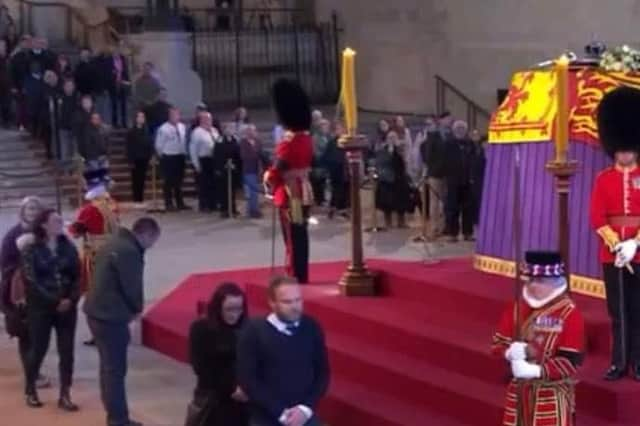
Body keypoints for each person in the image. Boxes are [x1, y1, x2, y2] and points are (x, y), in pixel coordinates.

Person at [492, 251, 585, 426]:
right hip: (518, 394)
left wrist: (535, 371)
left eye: (540, 281)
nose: (533, 285)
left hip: (549, 396)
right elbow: (498, 344)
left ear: (554, 282)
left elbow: (570, 361)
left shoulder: (569, 314)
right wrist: (509, 353)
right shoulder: (516, 308)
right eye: (530, 280)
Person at [84, 217, 161, 426]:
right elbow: (131, 286)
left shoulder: (114, 242)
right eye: (153, 241)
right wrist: (137, 309)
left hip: (96, 312)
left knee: (108, 368)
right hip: (111, 316)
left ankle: (113, 411)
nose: (151, 246)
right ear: (147, 234)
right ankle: (118, 419)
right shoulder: (129, 251)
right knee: (115, 371)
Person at [590, 86, 640, 381]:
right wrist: (616, 245)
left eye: (628, 148)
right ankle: (619, 362)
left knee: (639, 311)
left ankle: (639, 361)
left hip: (638, 252)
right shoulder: (603, 179)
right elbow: (596, 216)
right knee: (618, 312)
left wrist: (634, 244)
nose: (624, 153)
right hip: (612, 256)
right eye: (620, 148)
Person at [237, 276, 329, 426]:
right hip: (267, 418)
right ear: (272, 303)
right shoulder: (254, 331)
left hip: (304, 417)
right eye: (287, 302)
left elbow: (322, 373)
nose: (295, 306)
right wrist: (281, 412)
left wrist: (305, 409)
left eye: (298, 300)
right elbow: (248, 379)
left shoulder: (311, 327)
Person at [22, 208, 81, 410]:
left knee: (67, 352)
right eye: (56, 221)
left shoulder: (68, 246)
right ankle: (30, 389)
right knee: (39, 348)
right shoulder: (31, 249)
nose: (61, 223)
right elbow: (31, 281)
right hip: (41, 308)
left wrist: (71, 299)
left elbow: (77, 276)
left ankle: (65, 394)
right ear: (44, 225)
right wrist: (55, 301)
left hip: (67, 307)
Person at [263, 79, 313, 283]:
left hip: (291, 192)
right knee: (300, 233)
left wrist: (267, 178)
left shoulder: (289, 141)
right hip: (304, 189)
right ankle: (301, 272)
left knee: (292, 236)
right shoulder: (306, 138)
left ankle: (294, 273)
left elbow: (278, 169)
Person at [0, 197, 51, 391]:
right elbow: (5, 263)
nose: (33, 211)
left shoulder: (44, 233)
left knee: (40, 335)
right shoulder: (13, 235)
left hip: (43, 292)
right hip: (21, 294)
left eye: (36, 208)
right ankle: (32, 374)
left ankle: (35, 369)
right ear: (22, 211)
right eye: (29, 208)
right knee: (27, 335)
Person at [188, 283, 249, 426]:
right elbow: (201, 368)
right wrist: (234, 388)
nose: (234, 314)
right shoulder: (201, 329)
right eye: (229, 309)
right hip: (214, 399)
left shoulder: (248, 328)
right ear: (218, 307)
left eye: (239, 309)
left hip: (243, 400)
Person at [443, 119, 475, 242]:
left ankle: (468, 233)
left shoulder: (470, 144)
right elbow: (444, 161)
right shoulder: (448, 144)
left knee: (468, 208)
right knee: (452, 209)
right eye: (458, 128)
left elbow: (473, 160)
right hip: (453, 181)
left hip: (467, 181)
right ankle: (452, 234)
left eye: (462, 128)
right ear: (453, 130)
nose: (460, 131)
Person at [375, 130, 412, 228]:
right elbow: (380, 163)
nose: (392, 140)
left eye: (394, 138)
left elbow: (404, 162)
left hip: (399, 178)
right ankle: (388, 222)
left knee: (401, 202)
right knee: (387, 202)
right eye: (390, 138)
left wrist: (399, 151)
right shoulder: (382, 150)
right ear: (387, 139)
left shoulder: (400, 149)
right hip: (387, 179)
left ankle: (401, 221)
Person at [155, 107, 190, 211]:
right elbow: (159, 145)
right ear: (169, 116)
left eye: (177, 115)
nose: (176, 117)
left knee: (179, 180)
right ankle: (169, 203)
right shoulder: (163, 129)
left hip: (180, 156)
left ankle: (180, 203)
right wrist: (163, 156)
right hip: (169, 157)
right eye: (173, 115)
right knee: (169, 181)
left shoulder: (182, 127)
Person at [420, 115, 447, 239]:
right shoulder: (428, 140)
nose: (431, 126)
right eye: (428, 125)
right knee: (434, 203)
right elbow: (427, 157)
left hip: (446, 173)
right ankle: (435, 227)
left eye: (432, 124)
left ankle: (444, 226)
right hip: (434, 174)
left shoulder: (444, 136)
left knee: (445, 202)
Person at [190, 112, 221, 212]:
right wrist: (196, 164)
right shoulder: (197, 132)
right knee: (204, 184)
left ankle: (214, 204)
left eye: (210, 119)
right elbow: (193, 149)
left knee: (214, 183)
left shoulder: (214, 130)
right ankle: (204, 205)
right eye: (206, 119)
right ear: (201, 120)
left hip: (214, 160)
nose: (209, 121)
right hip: (203, 160)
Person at [214, 122, 242, 218]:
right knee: (223, 190)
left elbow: (238, 154)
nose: (230, 130)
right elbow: (217, 155)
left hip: (233, 169)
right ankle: (224, 209)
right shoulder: (220, 140)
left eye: (232, 128)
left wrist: (236, 165)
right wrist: (219, 167)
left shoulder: (235, 140)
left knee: (232, 190)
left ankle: (232, 209)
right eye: (228, 128)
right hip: (223, 169)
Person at [239, 124, 267, 218]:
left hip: (257, 169)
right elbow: (244, 156)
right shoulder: (243, 142)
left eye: (253, 131)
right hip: (248, 169)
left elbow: (262, 154)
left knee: (252, 191)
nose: (251, 132)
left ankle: (251, 210)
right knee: (253, 190)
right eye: (249, 131)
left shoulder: (258, 141)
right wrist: (256, 154)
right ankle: (254, 211)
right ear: (246, 132)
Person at [126, 111, 154, 203]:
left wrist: (151, 155)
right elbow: (128, 147)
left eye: (142, 117)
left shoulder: (146, 131)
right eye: (139, 117)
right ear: (136, 119)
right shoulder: (131, 132)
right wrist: (130, 160)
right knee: (135, 179)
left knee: (142, 179)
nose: (141, 119)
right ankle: (136, 198)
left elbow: (149, 144)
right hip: (135, 158)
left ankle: (141, 198)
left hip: (144, 158)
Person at [324, 121, 348, 218]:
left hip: (344, 168)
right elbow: (327, 155)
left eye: (342, 129)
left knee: (344, 190)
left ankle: (341, 209)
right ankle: (333, 208)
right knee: (336, 189)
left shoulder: (346, 141)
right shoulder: (332, 142)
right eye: (338, 129)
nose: (341, 131)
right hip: (335, 169)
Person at [105, 46, 130, 128]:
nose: (116, 53)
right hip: (113, 85)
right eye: (114, 52)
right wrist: (113, 73)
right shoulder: (108, 60)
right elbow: (107, 73)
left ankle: (124, 122)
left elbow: (126, 71)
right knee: (114, 105)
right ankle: (114, 123)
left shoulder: (123, 59)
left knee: (123, 105)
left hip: (122, 84)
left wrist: (126, 81)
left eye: (117, 51)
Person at [310, 118, 330, 207]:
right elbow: (314, 152)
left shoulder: (326, 137)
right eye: (325, 127)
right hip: (318, 163)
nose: (327, 129)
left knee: (323, 182)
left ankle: (321, 199)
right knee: (318, 182)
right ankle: (318, 200)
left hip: (324, 163)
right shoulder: (315, 138)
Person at [58, 79, 78, 164]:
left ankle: (76, 169)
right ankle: (66, 170)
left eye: (71, 86)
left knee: (75, 150)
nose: (69, 88)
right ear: (64, 87)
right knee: (65, 149)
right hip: (64, 127)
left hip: (75, 127)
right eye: (67, 86)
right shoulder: (60, 98)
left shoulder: (77, 99)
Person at [470, 129, 486, 227]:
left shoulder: (490, 154)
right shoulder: (476, 152)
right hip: (478, 181)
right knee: (477, 202)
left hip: (487, 182)